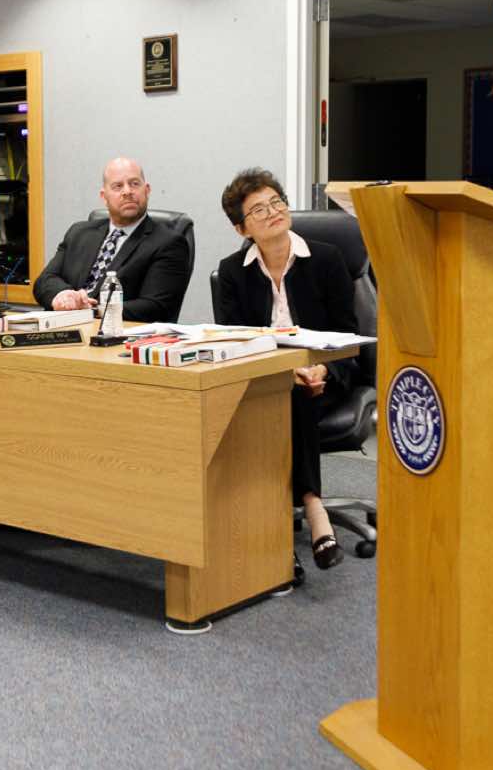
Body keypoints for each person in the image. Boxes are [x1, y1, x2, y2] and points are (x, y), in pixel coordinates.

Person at [212, 169, 358, 572]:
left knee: (297, 394)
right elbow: (236, 344)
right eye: (259, 209)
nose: (273, 211)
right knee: (284, 392)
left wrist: (321, 370)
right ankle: (311, 508)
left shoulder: (327, 259)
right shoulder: (232, 272)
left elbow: (348, 335)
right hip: (267, 379)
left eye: (276, 201)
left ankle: (299, 515)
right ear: (242, 228)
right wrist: (282, 374)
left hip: (328, 373)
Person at [32, 157, 192, 322]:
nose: (127, 191)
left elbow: (156, 306)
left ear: (147, 190)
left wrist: (92, 310)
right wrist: (63, 295)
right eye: (118, 186)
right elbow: (44, 281)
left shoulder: (168, 243)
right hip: (62, 327)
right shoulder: (79, 233)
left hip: (117, 332)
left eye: (134, 184)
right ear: (104, 196)